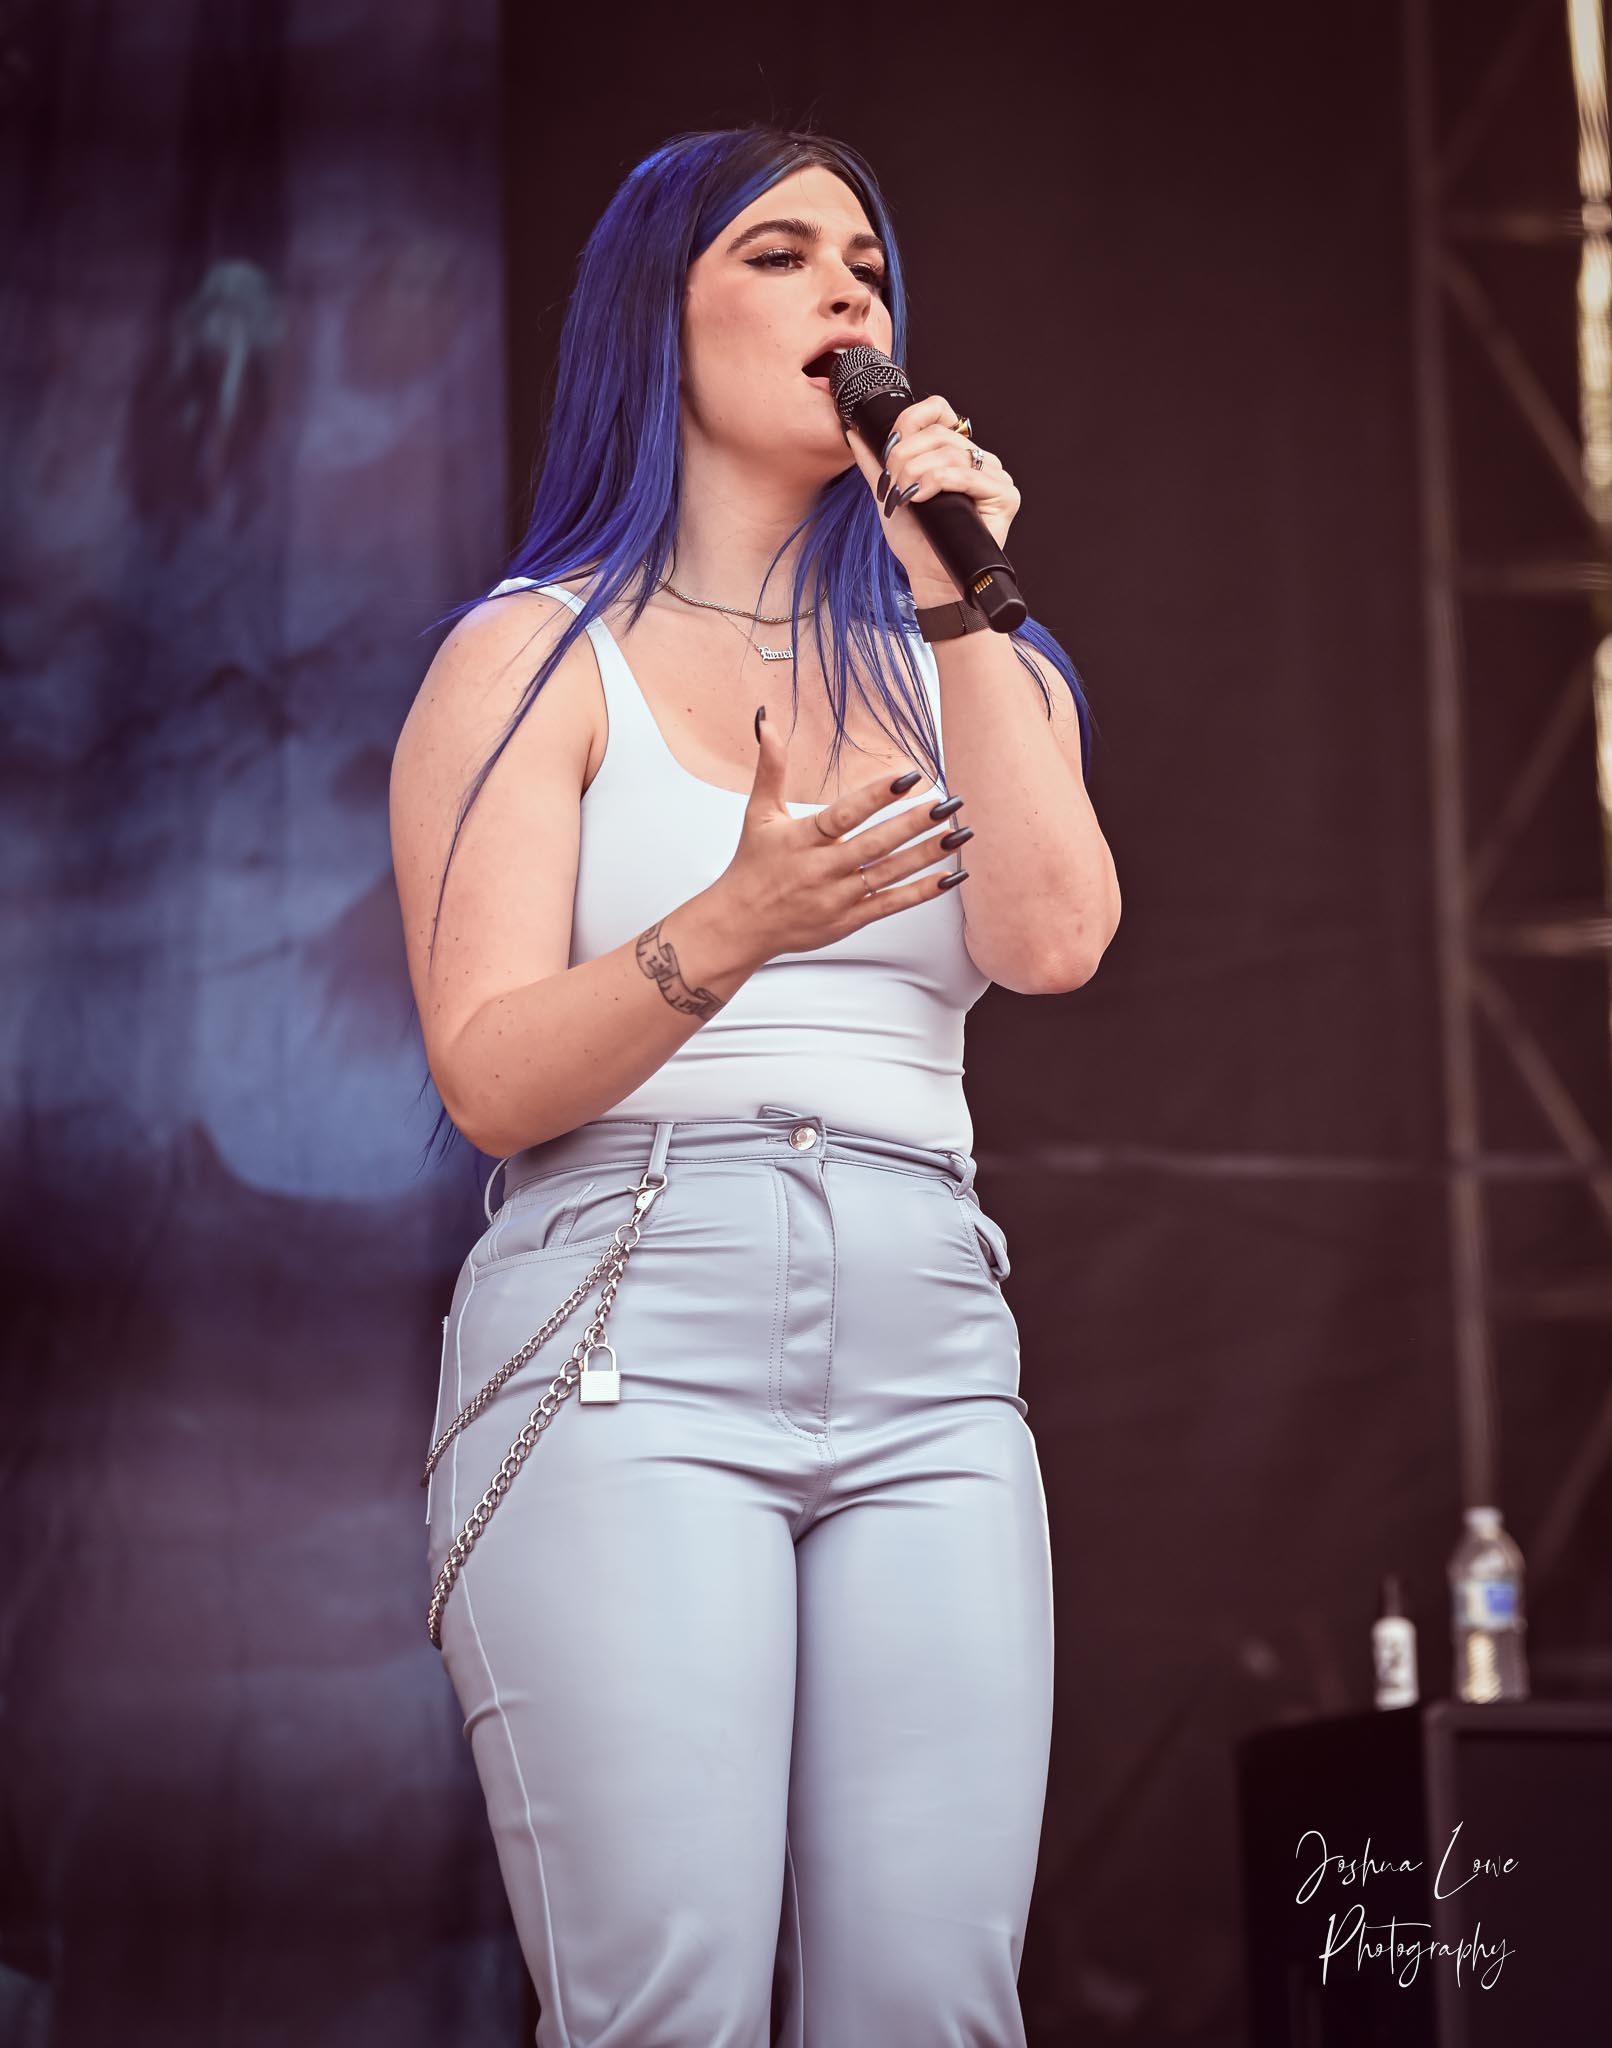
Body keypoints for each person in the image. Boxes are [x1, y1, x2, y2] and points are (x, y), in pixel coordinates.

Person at [389, 122, 1120, 2048]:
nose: (846, 295)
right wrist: (734, 924)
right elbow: (486, 1073)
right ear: (660, 318)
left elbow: (1054, 937)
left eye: (867, 268)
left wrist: (958, 597)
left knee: (934, 2005)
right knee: (668, 2005)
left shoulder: (977, 653)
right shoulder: (531, 657)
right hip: (624, 1324)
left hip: (930, 1342)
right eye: (781, 256)